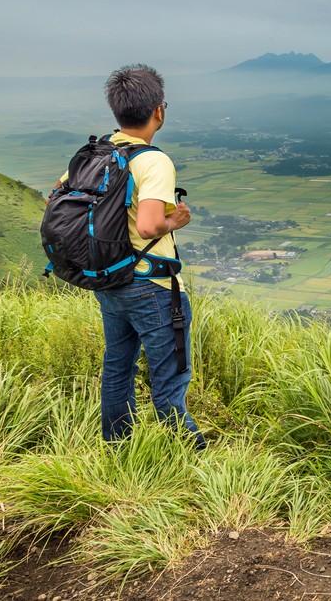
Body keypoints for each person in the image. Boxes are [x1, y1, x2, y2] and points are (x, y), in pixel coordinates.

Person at [54, 64, 205, 449]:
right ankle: (191, 456)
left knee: (117, 367)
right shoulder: (154, 161)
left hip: (110, 279)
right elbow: (152, 225)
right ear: (159, 110)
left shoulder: (95, 152)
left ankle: (118, 449)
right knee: (170, 379)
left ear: (116, 110)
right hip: (152, 286)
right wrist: (178, 219)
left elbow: (58, 199)